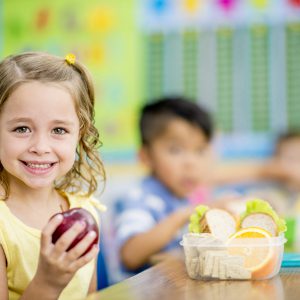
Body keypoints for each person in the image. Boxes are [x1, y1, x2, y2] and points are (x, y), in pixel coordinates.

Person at [0, 52, 106, 299]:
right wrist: (48, 282)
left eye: (59, 129)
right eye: (22, 128)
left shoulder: (85, 210)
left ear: (79, 135)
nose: (41, 146)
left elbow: (92, 296)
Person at [113, 97, 214, 277]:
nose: (191, 163)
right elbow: (130, 255)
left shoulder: (180, 195)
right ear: (146, 157)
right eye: (176, 150)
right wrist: (185, 214)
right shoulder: (140, 198)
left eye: (200, 151)